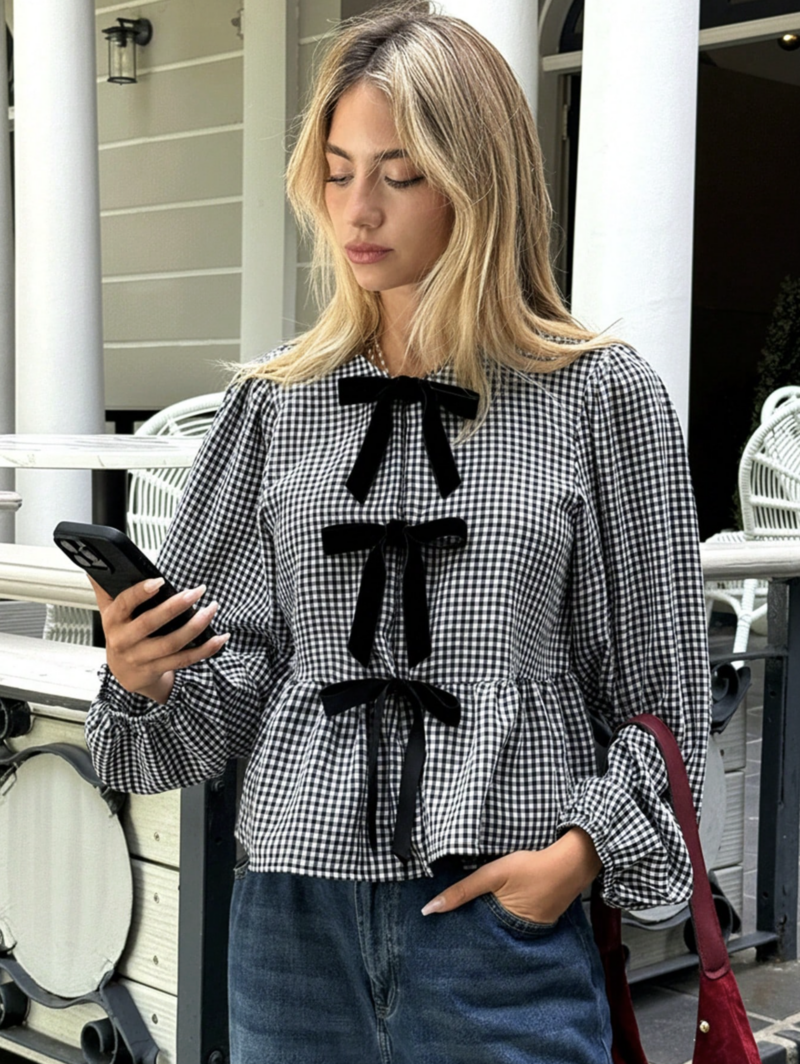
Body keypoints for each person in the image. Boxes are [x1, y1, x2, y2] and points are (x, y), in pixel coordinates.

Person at [85, 3, 711, 1062]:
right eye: (337, 173)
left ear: (479, 181)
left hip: (498, 921)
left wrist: (575, 855)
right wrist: (147, 675)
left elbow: (663, 691)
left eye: (401, 174)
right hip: (291, 923)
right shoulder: (273, 404)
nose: (358, 210)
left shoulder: (598, 397)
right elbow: (232, 685)